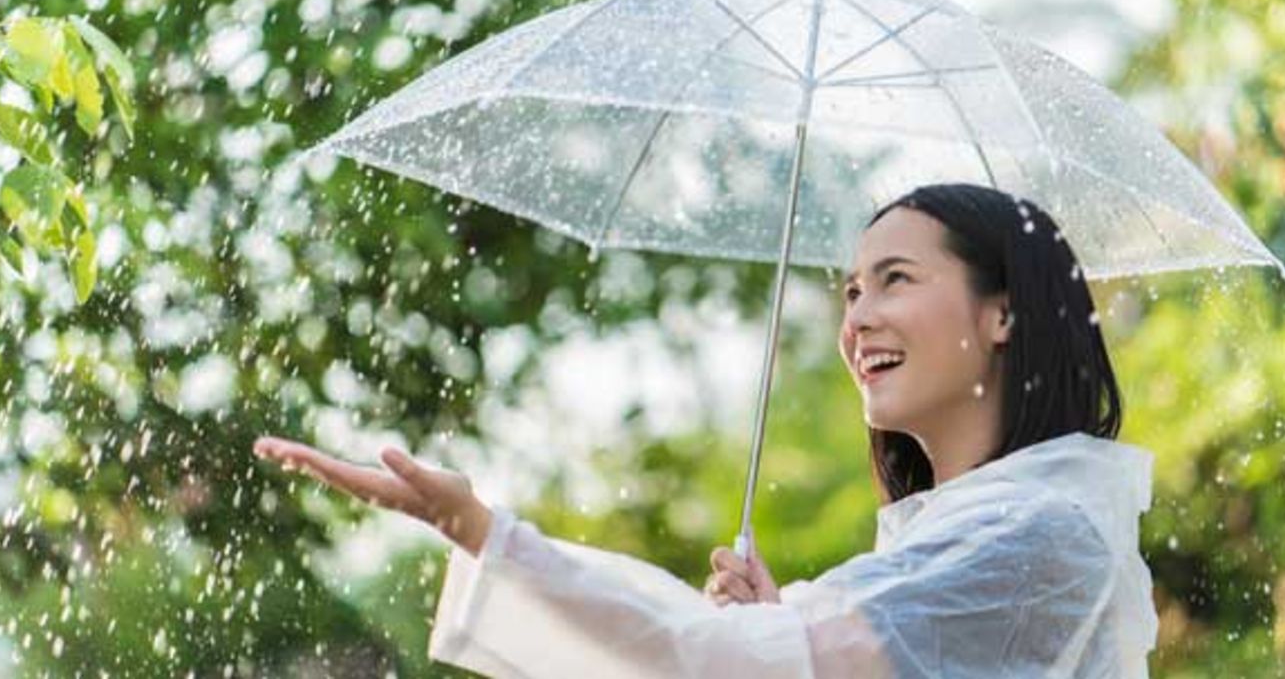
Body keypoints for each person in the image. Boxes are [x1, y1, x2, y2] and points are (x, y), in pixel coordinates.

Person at [254, 183, 1159, 677]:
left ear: (1002, 315)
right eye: (850, 291)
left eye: (895, 281)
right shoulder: (968, 537)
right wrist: (778, 628)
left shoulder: (1038, 535)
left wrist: (486, 534)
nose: (857, 319)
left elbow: (711, 660)